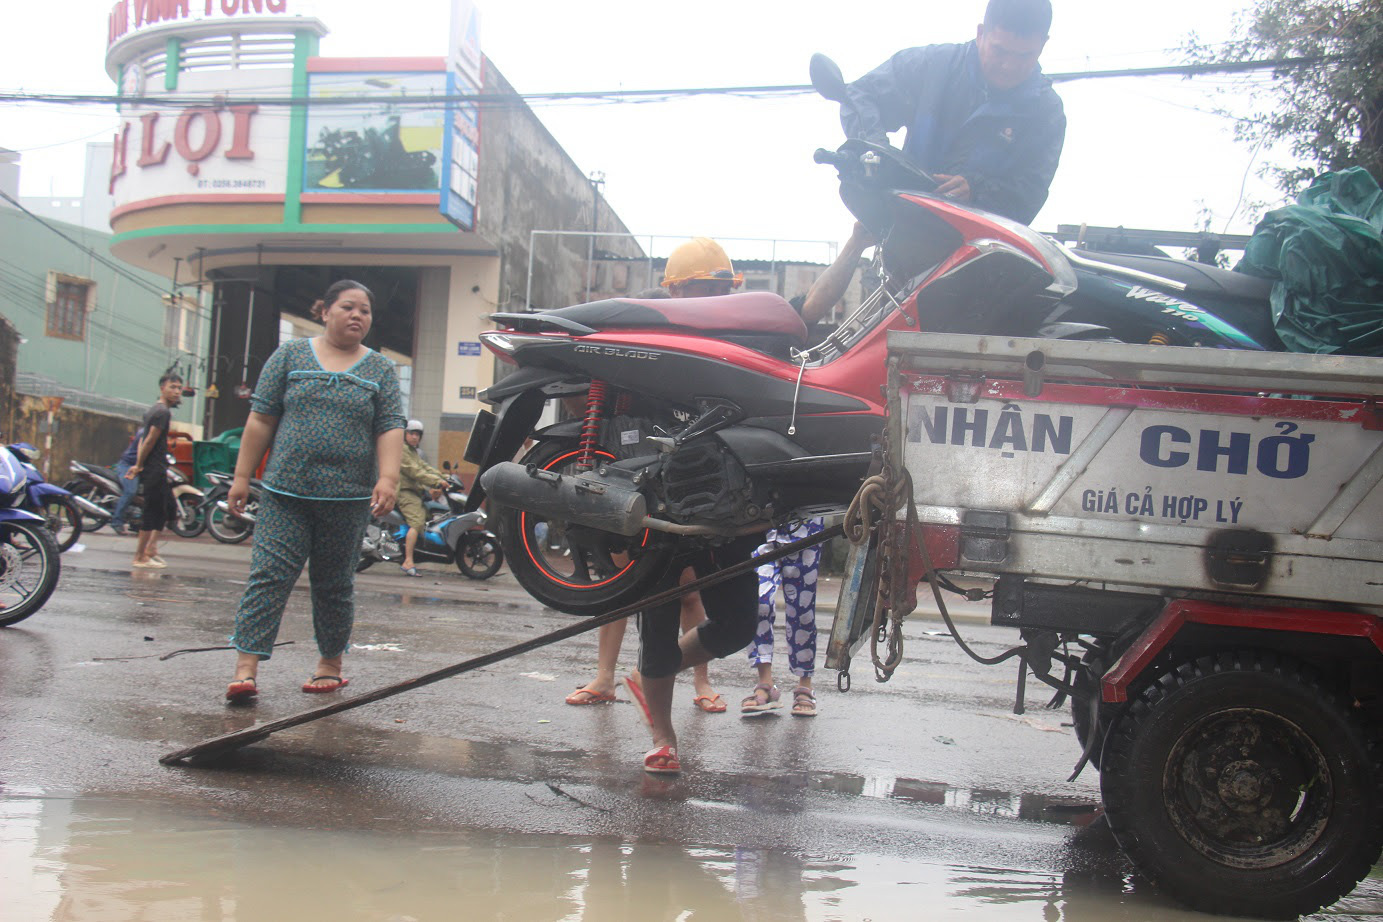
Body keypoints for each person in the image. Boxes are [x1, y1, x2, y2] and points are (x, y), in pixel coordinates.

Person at [564, 238, 744, 718]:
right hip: (637, 484)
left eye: (721, 289)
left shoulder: (728, 339)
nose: (714, 298)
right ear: (675, 293)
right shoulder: (643, 340)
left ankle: (696, 681)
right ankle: (608, 679)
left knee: (691, 591)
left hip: (698, 490)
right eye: (704, 288)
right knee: (625, 584)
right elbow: (584, 400)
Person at [224, 280, 405, 703]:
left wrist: (388, 478)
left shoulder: (379, 369)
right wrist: (241, 476)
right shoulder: (289, 356)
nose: (357, 315)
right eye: (348, 307)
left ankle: (330, 664)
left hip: (347, 499)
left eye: (365, 310)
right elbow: (261, 419)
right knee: (269, 577)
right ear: (324, 311)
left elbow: (390, 425)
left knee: (334, 584)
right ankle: (246, 668)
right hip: (286, 493)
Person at [841, 0, 1065, 225]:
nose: (1009, 66)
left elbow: (1029, 195)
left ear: (1043, 45)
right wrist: (876, 149)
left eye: (1025, 56)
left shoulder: (1046, 113)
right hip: (902, 226)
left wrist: (977, 191)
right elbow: (859, 95)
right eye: (1000, 51)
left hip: (981, 248)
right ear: (980, 33)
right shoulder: (934, 67)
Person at [126, 374, 183, 568]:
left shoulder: (154, 411)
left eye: (179, 388)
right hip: (154, 468)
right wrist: (139, 464)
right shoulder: (161, 413)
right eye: (172, 387)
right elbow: (149, 440)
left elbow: (143, 439)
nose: (176, 391)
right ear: (162, 389)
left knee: (167, 508)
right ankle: (140, 556)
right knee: (152, 512)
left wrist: (138, 464)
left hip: (156, 467)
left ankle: (151, 549)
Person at [397, 419, 447, 576]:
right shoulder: (402, 450)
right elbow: (415, 472)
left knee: (427, 517)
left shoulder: (413, 451)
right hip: (405, 492)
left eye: (417, 434)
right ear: (405, 434)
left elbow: (425, 467)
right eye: (411, 433)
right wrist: (437, 481)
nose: (414, 437)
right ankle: (408, 561)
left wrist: (444, 476)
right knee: (417, 522)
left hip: (414, 492)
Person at [109, 426, 143, 536]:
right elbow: (142, 451)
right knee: (130, 491)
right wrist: (138, 466)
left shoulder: (155, 434)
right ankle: (116, 521)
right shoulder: (145, 433)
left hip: (139, 467)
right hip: (128, 466)